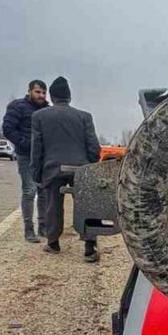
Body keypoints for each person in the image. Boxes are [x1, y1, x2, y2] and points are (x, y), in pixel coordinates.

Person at [30, 76, 102, 260]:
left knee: (53, 204)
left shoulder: (39, 116)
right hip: (80, 167)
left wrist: (36, 173)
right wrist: (91, 168)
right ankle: (90, 246)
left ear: (52, 97)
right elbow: (93, 146)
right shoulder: (84, 116)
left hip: (52, 168)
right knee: (86, 204)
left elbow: (37, 147)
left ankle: (53, 243)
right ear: (69, 97)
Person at [2, 79, 49, 242]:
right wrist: (24, 143)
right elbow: (8, 129)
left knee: (43, 191)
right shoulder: (18, 106)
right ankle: (28, 229)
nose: (41, 95)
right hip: (25, 155)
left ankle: (43, 226)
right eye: (38, 92)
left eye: (43, 92)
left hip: (43, 157)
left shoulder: (47, 110)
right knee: (30, 190)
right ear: (30, 91)